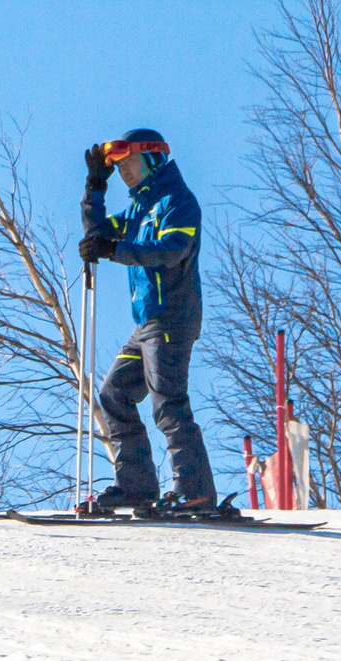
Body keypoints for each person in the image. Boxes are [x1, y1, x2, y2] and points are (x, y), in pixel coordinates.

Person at [78, 127, 220, 517]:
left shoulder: (177, 202)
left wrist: (116, 249)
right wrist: (95, 189)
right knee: (113, 394)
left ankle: (195, 491)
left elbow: (172, 251)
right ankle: (136, 486)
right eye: (118, 167)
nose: (123, 171)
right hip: (147, 324)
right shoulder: (140, 208)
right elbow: (100, 234)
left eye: (129, 163)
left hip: (172, 317)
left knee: (168, 403)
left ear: (153, 158)